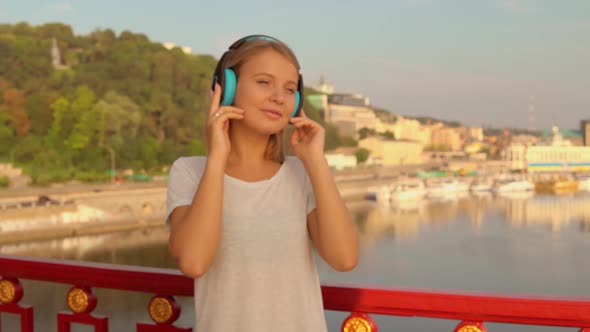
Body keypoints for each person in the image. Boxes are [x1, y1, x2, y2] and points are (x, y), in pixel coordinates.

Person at [166, 34, 359, 332]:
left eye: (290, 89)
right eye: (264, 82)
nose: (279, 97)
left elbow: (344, 258)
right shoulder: (190, 171)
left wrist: (316, 161)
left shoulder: (301, 172)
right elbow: (193, 262)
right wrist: (217, 157)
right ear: (227, 89)